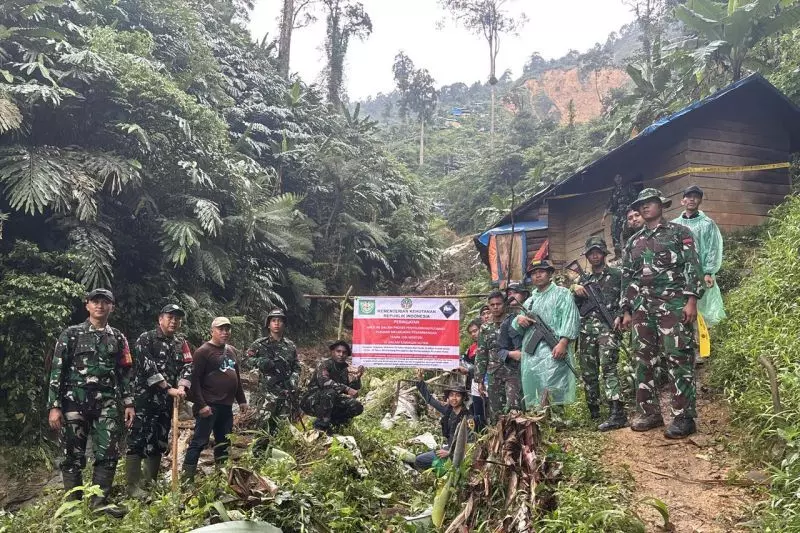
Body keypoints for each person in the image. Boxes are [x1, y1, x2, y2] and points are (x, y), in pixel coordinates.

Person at [621, 188, 705, 438]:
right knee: (643, 361)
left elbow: (693, 266)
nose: (645, 207)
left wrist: (691, 300)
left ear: (661, 205)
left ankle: (684, 417)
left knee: (678, 357)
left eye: (650, 203)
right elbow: (628, 277)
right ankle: (650, 412)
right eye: (641, 204)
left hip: (673, 306)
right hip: (642, 309)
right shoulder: (633, 242)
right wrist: (625, 309)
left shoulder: (679, 233)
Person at [47, 288, 134, 517]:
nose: (100, 306)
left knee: (108, 453)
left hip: (106, 403)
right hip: (73, 403)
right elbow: (57, 370)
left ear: (111, 307)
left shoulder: (118, 337)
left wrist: (128, 403)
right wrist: (54, 406)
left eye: (105, 302)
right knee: (72, 455)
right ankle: (73, 508)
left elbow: (125, 372)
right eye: (95, 301)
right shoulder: (71, 334)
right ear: (87, 305)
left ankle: (99, 505)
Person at [126, 304, 193, 498]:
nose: (174, 321)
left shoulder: (181, 343)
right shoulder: (146, 339)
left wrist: (181, 386)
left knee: (159, 441)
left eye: (177, 318)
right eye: (170, 317)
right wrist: (167, 387)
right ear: (160, 318)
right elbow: (147, 367)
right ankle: (132, 486)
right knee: (138, 439)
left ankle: (150, 483)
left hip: (167, 402)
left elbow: (188, 365)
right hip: (145, 399)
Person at [183, 317, 248, 481]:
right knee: (199, 442)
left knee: (224, 443)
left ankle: (221, 478)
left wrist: (241, 400)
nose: (225, 332)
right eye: (221, 329)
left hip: (226, 406)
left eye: (227, 329)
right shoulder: (203, 352)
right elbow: (195, 380)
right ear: (212, 331)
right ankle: (187, 478)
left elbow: (237, 377)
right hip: (209, 406)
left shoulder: (232, 350)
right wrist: (201, 404)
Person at [572, 237, 627, 431]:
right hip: (586, 330)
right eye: (591, 253)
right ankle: (594, 410)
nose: (595, 255)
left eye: (598, 252)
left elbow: (626, 298)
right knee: (588, 371)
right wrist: (574, 288)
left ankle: (617, 411)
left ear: (604, 254)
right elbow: (572, 305)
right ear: (587, 256)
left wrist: (621, 316)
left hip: (608, 327)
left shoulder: (616, 274)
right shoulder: (582, 280)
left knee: (608, 366)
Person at [512, 260, 581, 416]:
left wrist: (563, 342)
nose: (537, 275)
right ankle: (539, 420)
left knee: (553, 385)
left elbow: (571, 318)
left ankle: (558, 421)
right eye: (534, 273)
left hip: (554, 347)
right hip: (533, 353)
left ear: (550, 274)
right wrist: (519, 320)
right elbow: (518, 327)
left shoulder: (562, 294)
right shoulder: (530, 301)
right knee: (535, 386)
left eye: (541, 271)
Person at [671, 185, 726, 327]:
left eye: (696, 197)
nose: (692, 199)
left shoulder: (707, 224)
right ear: (682, 200)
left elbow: (713, 248)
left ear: (700, 201)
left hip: (702, 273)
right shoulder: (674, 225)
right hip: (680, 275)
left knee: (705, 307)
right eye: (689, 196)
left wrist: (708, 272)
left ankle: (707, 339)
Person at [245, 308, 301, 434]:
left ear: (284, 324)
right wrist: (261, 362)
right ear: (268, 324)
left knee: (282, 428)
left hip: (285, 392)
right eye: (273, 320)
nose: (276, 323)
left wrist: (293, 379)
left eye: (280, 321)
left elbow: (296, 366)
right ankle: (258, 453)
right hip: (265, 394)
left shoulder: (290, 345)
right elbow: (245, 360)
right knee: (262, 428)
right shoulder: (259, 344)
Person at [412, 369, 471, 470]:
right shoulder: (448, 410)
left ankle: (446, 471)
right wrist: (420, 380)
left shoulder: (468, 418)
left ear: (463, 398)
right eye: (451, 395)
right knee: (419, 459)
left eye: (458, 395)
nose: (454, 398)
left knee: (422, 461)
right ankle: (442, 470)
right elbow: (430, 400)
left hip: (458, 454)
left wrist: (449, 453)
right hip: (447, 447)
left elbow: (469, 444)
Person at [301, 341, 364, 433]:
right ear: (332, 352)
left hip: (331, 400)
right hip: (312, 400)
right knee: (330, 392)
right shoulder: (325, 364)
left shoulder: (344, 369)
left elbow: (352, 388)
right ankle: (320, 427)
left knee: (356, 406)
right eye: (338, 351)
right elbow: (324, 382)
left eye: (344, 352)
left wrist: (357, 377)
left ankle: (337, 423)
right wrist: (347, 389)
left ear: (347, 355)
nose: (341, 354)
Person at [474, 290, 514, 423]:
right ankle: (499, 440)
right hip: (494, 375)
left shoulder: (513, 322)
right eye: (492, 304)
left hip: (512, 372)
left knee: (515, 408)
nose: (495, 307)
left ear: (504, 304)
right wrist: (479, 380)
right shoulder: (485, 328)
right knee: (496, 411)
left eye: (498, 304)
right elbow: (481, 354)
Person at [457, 318, 486, 432]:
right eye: (471, 332)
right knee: (477, 412)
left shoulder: (490, 342)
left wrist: (469, 370)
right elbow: (466, 362)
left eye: (475, 330)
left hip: (490, 383)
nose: (473, 334)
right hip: (475, 385)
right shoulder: (471, 348)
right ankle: (480, 436)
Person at [602, 174, 641, 257]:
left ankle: (633, 249)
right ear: (614, 180)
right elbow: (609, 204)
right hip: (617, 213)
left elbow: (635, 197)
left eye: (619, 177)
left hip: (628, 210)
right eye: (616, 177)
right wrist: (604, 216)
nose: (618, 179)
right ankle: (618, 254)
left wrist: (633, 208)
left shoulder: (628, 186)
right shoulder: (614, 191)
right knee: (614, 231)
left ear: (622, 178)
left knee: (628, 229)